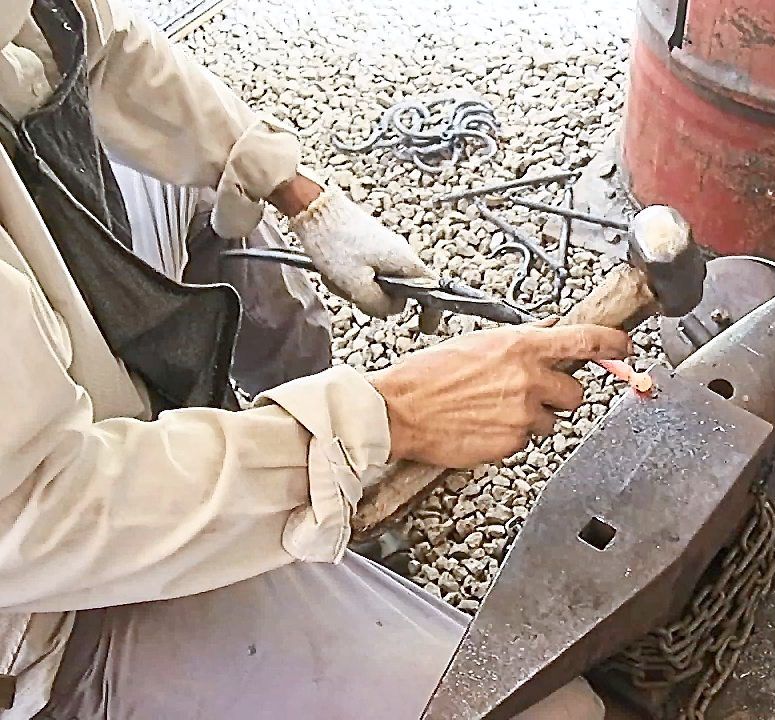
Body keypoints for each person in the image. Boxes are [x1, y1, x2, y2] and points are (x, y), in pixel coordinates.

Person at [0, 0, 628, 717]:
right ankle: (297, 487)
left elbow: (90, 38)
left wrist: (301, 197)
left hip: (46, 343)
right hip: (59, 602)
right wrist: (381, 417)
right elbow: (38, 515)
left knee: (218, 190)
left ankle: (319, 489)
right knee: (555, 713)